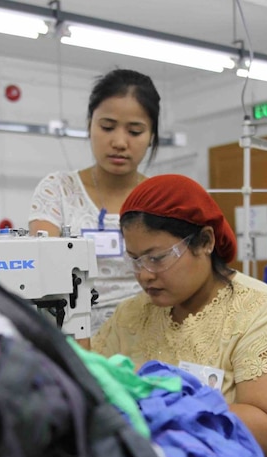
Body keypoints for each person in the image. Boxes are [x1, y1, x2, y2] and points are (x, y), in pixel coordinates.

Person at [92, 174, 267, 457]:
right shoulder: (131, 316)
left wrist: (160, 409)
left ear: (205, 241)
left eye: (158, 258)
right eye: (136, 260)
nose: (144, 275)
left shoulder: (263, 314)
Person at [29, 69, 160, 335]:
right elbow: (46, 277)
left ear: (152, 136)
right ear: (90, 124)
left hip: (150, 333)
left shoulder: (160, 197)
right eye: (107, 127)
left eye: (135, 131)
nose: (119, 142)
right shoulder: (58, 190)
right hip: (73, 335)